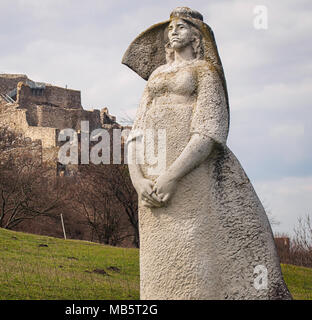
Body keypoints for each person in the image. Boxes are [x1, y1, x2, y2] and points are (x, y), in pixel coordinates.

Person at [124, 7, 291, 300]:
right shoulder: (156, 76)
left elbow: (209, 131)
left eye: (181, 27)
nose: (173, 31)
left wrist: (173, 176)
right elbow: (135, 133)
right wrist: (137, 179)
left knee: (191, 249)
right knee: (156, 261)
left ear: (197, 36)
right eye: (171, 27)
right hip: (149, 178)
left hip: (190, 176)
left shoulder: (205, 72)